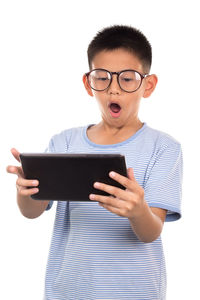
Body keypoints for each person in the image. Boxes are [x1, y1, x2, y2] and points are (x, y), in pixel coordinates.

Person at [7, 25, 183, 300]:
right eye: (102, 77)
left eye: (127, 78)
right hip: (67, 292)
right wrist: (25, 190)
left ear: (148, 85)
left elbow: (151, 232)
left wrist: (138, 210)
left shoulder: (164, 148)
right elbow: (31, 211)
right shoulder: (63, 142)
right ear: (89, 83)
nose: (113, 89)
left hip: (135, 293)